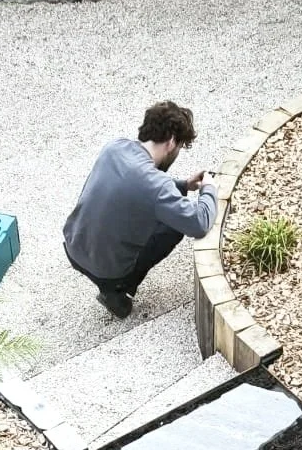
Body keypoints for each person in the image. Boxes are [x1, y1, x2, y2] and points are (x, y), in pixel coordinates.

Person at [63, 101, 218, 320]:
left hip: (73, 246)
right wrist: (209, 189)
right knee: (173, 228)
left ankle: (112, 281)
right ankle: (118, 289)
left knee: (156, 209)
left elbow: (134, 185)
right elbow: (199, 223)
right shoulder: (157, 185)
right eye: (180, 147)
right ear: (172, 142)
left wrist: (183, 185)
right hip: (106, 270)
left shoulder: (114, 147)